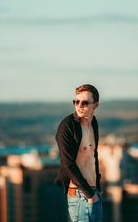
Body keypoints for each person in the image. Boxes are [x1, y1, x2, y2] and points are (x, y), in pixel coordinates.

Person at [55, 84, 103, 222]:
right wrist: (89, 195)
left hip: (94, 192)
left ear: (96, 105)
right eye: (76, 101)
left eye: (85, 102)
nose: (79, 105)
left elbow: (94, 155)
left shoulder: (93, 123)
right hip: (79, 194)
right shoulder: (67, 126)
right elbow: (67, 164)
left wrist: (97, 190)